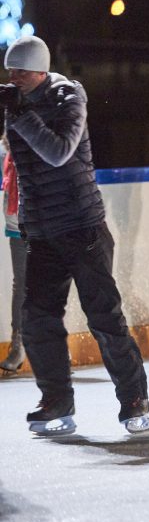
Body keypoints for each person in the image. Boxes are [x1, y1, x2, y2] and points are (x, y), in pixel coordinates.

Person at [1, 35, 149, 435]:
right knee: (37, 320)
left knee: (104, 318)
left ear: (41, 71)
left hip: (82, 228)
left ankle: (134, 399)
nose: (13, 78)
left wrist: (19, 116)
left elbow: (58, 150)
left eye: (21, 72)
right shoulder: (13, 103)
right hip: (43, 233)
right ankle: (56, 402)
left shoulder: (69, 96)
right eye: (9, 71)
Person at [0, 140, 26, 375]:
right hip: (17, 225)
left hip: (45, 223)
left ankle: (55, 346)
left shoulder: (39, 144)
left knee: (50, 285)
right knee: (21, 286)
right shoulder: (3, 153)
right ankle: (18, 346)